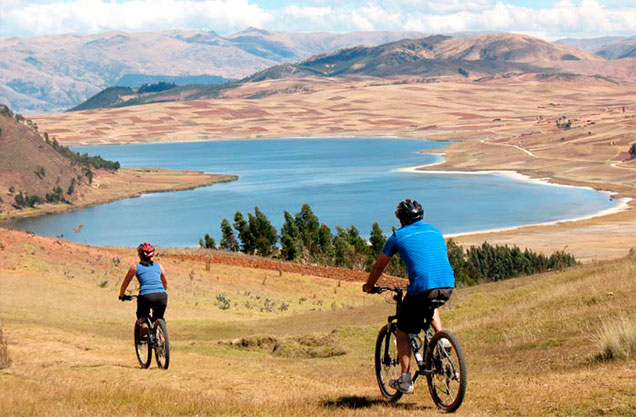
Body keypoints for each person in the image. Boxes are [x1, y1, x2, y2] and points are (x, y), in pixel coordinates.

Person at [363, 199, 455, 394]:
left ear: (401, 219)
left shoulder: (398, 236)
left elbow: (379, 265)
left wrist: (369, 285)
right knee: (429, 303)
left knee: (403, 331)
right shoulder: (435, 231)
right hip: (447, 284)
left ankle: (405, 380)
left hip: (423, 287)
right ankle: (441, 338)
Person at [119, 242, 168, 337]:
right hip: (162, 295)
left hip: (146, 296)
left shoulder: (135, 267)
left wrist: (122, 295)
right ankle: (162, 339)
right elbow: (165, 283)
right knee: (159, 317)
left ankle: (144, 324)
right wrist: (162, 291)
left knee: (141, 314)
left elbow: (125, 283)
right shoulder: (159, 266)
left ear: (139, 254)